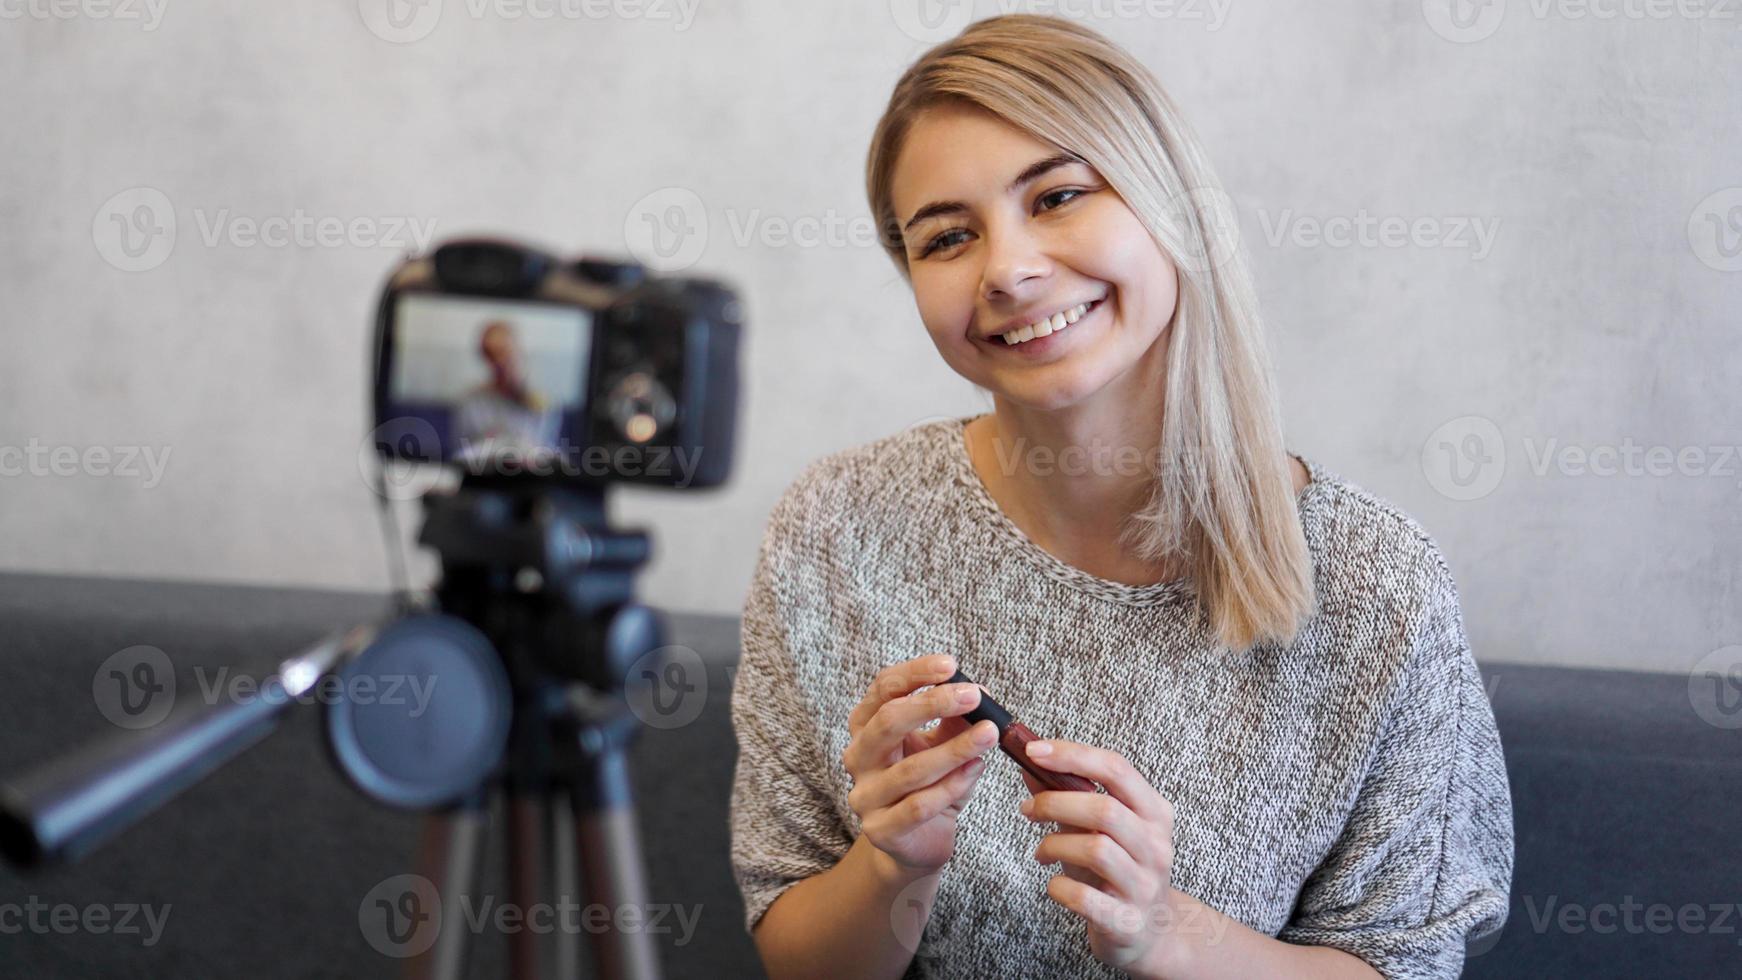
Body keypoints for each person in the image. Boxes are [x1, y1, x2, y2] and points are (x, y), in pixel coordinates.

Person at [728, 14, 1513, 980]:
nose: (1008, 270)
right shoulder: (833, 529)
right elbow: (798, 961)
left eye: (1057, 195)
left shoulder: (1375, 582)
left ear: (1168, 207)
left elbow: (1406, 965)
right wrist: (891, 865)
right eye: (946, 237)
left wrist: (1164, 932)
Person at [453, 320, 560, 458]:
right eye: (491, 354)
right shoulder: (471, 401)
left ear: (518, 350)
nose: (499, 361)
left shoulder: (543, 400)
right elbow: (462, 453)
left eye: (504, 351)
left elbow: (543, 450)